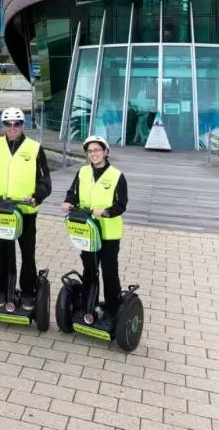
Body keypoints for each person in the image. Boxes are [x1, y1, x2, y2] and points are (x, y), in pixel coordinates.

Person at [0, 107, 51, 310]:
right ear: (3, 125)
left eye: (16, 123)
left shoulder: (35, 148)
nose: (12, 128)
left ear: (22, 125)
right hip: (2, 210)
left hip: (25, 211)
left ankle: (27, 292)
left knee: (27, 253)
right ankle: (2, 290)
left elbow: (45, 180)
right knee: (3, 252)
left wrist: (37, 197)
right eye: (8, 124)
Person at [61, 135, 129, 321]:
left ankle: (112, 311)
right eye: (90, 151)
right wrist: (68, 202)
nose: (94, 154)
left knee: (109, 273)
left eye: (97, 150)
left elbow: (121, 204)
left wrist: (106, 212)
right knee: (89, 270)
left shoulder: (117, 176)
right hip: (87, 231)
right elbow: (72, 192)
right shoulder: (82, 172)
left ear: (106, 152)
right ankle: (88, 306)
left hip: (108, 234)